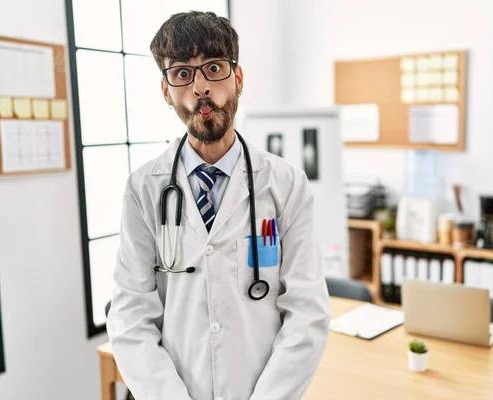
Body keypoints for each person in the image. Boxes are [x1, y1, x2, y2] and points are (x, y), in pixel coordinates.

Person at [106, 10, 331, 400]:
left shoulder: (286, 185)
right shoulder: (144, 190)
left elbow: (307, 314)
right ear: (166, 91)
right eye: (181, 74)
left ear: (237, 79)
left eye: (213, 68)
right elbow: (130, 318)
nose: (200, 88)